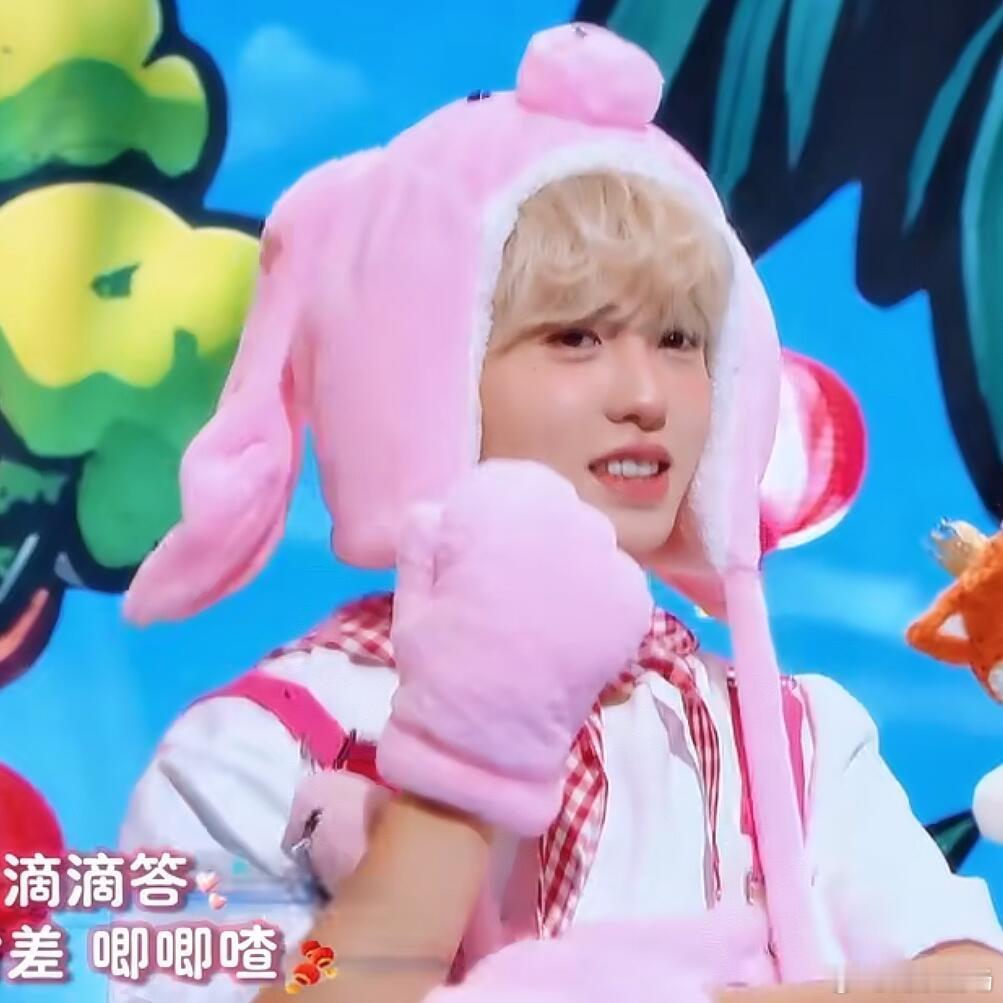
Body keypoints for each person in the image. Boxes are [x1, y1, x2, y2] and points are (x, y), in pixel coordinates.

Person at [113, 23, 1003, 1003]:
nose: (647, 396)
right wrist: (465, 755)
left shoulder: (791, 742)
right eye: (575, 336)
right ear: (423, 373)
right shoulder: (257, 745)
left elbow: (970, 981)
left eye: (680, 339)